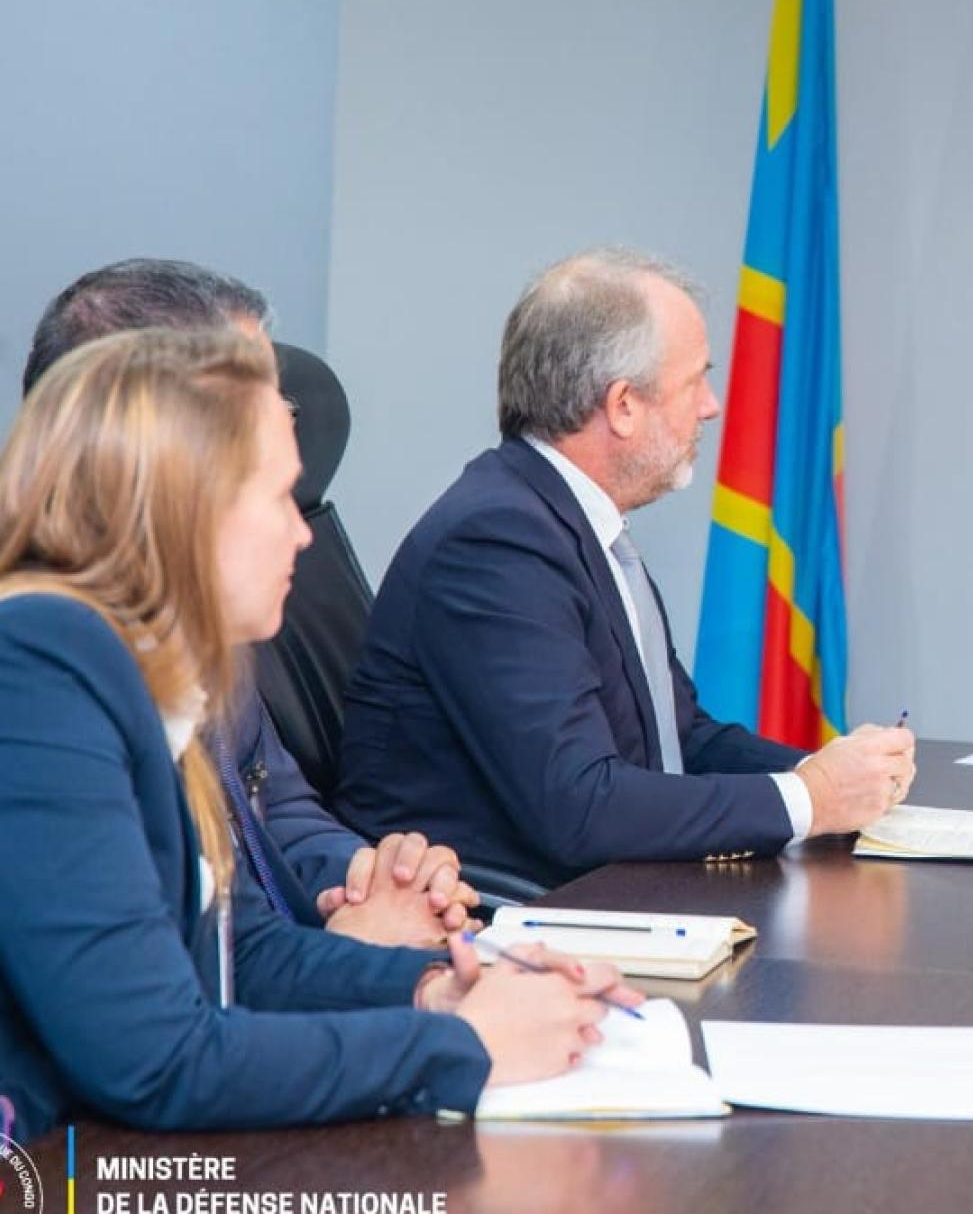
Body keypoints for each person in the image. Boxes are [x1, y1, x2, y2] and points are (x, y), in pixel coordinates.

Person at [0, 328, 638, 1144]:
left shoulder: (149, 669)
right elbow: (156, 1061)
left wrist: (443, 987)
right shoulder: (44, 664)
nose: (303, 533)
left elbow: (244, 957)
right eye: (279, 499)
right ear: (187, 509)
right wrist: (465, 1046)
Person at [337, 248, 915, 887]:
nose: (711, 406)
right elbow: (579, 806)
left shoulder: (572, 523)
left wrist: (832, 775)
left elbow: (678, 739)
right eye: (695, 381)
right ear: (622, 406)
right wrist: (810, 799)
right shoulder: (498, 542)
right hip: (502, 910)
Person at [24, 259, 477, 947]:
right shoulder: (51, 680)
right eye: (256, 395)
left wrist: (369, 877)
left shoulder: (198, 622)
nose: (284, 421)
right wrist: (360, 950)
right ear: (160, 439)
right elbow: (182, 982)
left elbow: (275, 805)